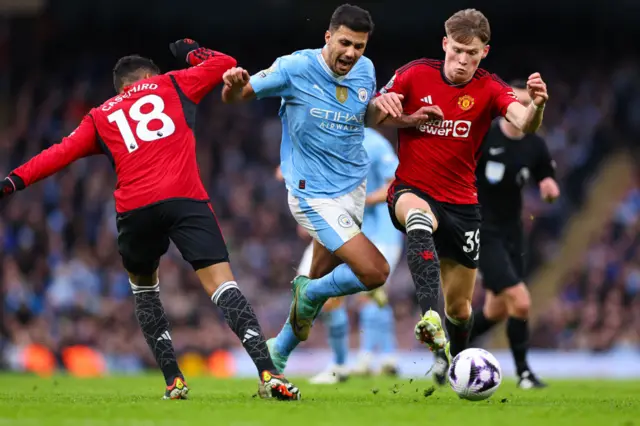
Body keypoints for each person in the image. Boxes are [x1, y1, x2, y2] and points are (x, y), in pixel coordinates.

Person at [0, 39, 300, 401]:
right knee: (223, 286)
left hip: (135, 208)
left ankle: (174, 381)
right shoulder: (172, 83)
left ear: (121, 87)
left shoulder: (100, 115)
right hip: (185, 198)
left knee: (145, 291)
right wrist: (189, 49)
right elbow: (226, 62)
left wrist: (12, 181)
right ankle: (268, 373)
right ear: (149, 77)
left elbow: (58, 154)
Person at [221, 3, 439, 376]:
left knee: (315, 292)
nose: (352, 53)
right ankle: (310, 292)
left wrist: (407, 120)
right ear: (328, 37)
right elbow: (237, 96)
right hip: (312, 194)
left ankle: (275, 358)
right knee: (374, 272)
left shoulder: (365, 71)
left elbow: (364, 116)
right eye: (345, 43)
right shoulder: (295, 67)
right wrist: (233, 87)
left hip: (352, 190)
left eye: (359, 46)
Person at [376, 9, 549, 367]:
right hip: (412, 189)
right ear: (445, 44)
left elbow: (524, 123)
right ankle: (429, 317)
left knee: (461, 307)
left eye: (472, 53)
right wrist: (384, 106)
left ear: (484, 52)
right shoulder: (413, 74)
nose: (463, 59)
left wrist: (536, 106)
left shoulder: (490, 87)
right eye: (457, 49)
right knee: (417, 219)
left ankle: (450, 359)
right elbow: (370, 116)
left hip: (462, 205)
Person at [433, 80, 560, 388]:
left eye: (524, 103)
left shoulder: (535, 142)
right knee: (521, 301)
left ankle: (447, 353)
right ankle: (525, 373)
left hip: (513, 232)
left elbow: (546, 174)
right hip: (481, 229)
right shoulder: (485, 135)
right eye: (511, 102)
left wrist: (548, 186)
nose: (516, 109)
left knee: (496, 308)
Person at [304, 128, 404, 384]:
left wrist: (362, 201)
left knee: (368, 293)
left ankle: (367, 357)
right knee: (364, 294)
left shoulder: (374, 142)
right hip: (350, 231)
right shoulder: (331, 139)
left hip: (382, 231)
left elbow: (395, 184)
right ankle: (378, 356)